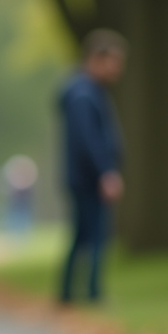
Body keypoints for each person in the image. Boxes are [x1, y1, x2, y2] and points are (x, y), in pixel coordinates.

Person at [58, 29, 126, 306]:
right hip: (88, 179)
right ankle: (93, 293)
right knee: (96, 236)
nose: (117, 70)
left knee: (81, 236)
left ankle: (66, 294)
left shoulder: (85, 92)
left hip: (84, 178)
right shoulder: (83, 95)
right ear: (96, 58)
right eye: (114, 62)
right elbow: (87, 140)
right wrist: (105, 172)